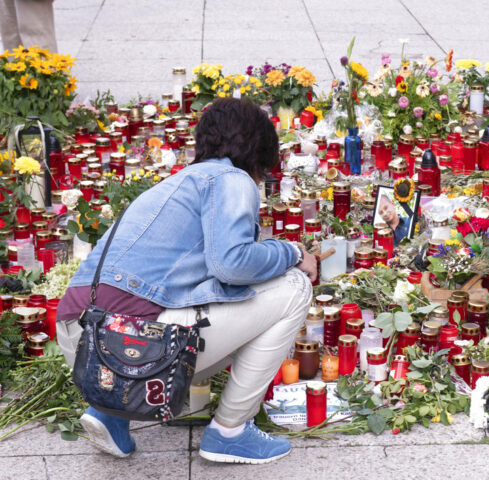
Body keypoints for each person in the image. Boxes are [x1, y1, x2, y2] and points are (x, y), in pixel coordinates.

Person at [56, 98, 316, 464]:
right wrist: (292, 253)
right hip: (127, 341)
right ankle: (230, 432)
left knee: (214, 308)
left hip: (81, 341)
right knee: (293, 288)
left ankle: (111, 410)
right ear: (259, 151)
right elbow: (232, 265)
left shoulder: (176, 182)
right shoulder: (231, 178)